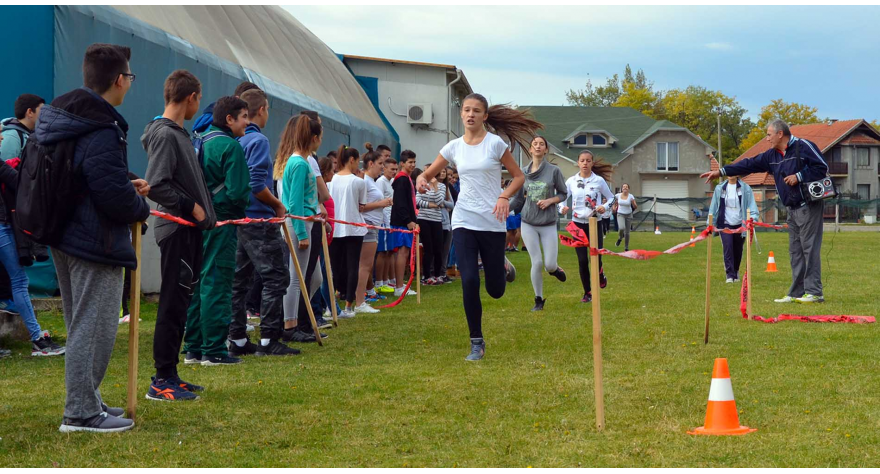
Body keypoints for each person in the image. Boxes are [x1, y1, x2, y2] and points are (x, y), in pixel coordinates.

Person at [37, 43, 151, 432]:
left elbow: (88, 176)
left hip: (65, 234)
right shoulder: (101, 126)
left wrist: (123, 182)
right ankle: (81, 412)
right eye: (130, 77)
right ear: (119, 80)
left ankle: (89, 398)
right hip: (93, 240)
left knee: (80, 321)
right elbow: (109, 196)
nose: (130, 84)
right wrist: (139, 206)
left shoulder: (65, 116)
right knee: (94, 325)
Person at [416, 92, 536, 361]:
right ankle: (476, 341)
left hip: (492, 222)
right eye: (467, 110)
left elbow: (518, 178)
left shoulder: (495, 145)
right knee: (468, 280)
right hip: (464, 220)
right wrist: (421, 178)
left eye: (476, 111)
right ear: (462, 114)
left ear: (485, 116)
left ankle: (503, 265)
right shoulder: (453, 147)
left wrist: (504, 196)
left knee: (495, 290)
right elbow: (428, 172)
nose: (470, 114)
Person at [142, 69, 217, 401]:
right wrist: (193, 208)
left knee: (181, 303)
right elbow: (157, 184)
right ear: (191, 98)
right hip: (176, 230)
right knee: (172, 304)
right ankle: (161, 381)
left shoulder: (179, 134)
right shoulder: (165, 135)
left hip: (189, 232)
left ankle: (171, 373)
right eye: (198, 100)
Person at [701, 119, 828, 303]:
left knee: (809, 249)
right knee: (795, 252)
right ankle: (796, 293)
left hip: (808, 206)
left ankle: (815, 292)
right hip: (791, 209)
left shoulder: (804, 146)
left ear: (780, 134)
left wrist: (799, 177)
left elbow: (822, 168)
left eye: (769, 135)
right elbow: (748, 164)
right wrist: (720, 171)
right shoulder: (771, 156)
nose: (767, 139)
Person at [225, 89, 299, 357]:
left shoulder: (237, 140)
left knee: (240, 280)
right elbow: (256, 183)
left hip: (240, 219)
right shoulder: (258, 140)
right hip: (258, 219)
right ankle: (268, 339)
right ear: (263, 109)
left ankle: (238, 338)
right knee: (275, 277)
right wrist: (277, 204)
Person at [183, 96, 251, 366]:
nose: (248, 122)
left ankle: (193, 348)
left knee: (197, 282)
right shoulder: (230, 146)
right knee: (218, 283)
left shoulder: (198, 141)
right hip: (222, 223)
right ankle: (214, 350)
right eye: (244, 116)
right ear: (229, 119)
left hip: (198, 221)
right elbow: (238, 192)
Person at [0, 123, 64, 357]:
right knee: (19, 281)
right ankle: (38, 340)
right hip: (2, 229)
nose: (1, 139)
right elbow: (21, 182)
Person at [275, 114, 330, 343]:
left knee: (314, 277)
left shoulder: (302, 162)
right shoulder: (298, 163)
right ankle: (290, 325)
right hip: (299, 223)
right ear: (314, 138)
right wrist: (300, 233)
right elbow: (295, 203)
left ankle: (295, 320)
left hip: (307, 221)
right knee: (295, 278)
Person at [510, 136, 568, 312]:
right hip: (528, 222)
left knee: (549, 264)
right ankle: (538, 299)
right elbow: (519, 199)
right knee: (536, 262)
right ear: (530, 149)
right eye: (534, 144)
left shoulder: (554, 171)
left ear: (546, 150)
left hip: (548, 222)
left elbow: (563, 193)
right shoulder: (523, 172)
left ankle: (554, 269)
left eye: (541, 144)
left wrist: (551, 200)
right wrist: (504, 208)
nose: (537, 146)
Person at [560, 150, 614, 304]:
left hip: (594, 223)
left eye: (588, 160)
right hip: (577, 225)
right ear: (578, 162)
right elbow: (561, 198)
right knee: (582, 260)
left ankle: (600, 273)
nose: (585, 163)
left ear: (592, 163)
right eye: (582, 160)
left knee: (596, 257)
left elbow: (611, 198)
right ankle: (587, 292)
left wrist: (604, 206)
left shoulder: (599, 181)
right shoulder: (571, 181)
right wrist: (562, 208)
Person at [329, 146, 368, 317]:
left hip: (337, 227)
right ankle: (348, 305)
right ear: (351, 160)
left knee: (335, 266)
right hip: (352, 227)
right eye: (357, 161)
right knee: (352, 266)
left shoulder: (332, 181)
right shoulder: (359, 182)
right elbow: (362, 206)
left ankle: (333, 303)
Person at [355, 144, 393, 313]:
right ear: (370, 164)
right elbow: (360, 206)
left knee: (365, 266)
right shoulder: (364, 181)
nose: (382, 168)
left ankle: (360, 298)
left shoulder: (370, 181)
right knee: (365, 266)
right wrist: (381, 203)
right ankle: (359, 301)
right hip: (367, 226)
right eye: (380, 164)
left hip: (373, 226)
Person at [707, 176, 759, 283]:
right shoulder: (720, 188)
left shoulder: (745, 188)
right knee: (728, 248)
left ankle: (735, 271)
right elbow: (714, 206)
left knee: (738, 249)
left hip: (740, 224)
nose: (731, 174)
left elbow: (751, 204)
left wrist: (753, 218)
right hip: (725, 224)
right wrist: (710, 222)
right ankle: (729, 275)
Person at [390, 150, 419, 297]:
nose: (413, 165)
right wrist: (408, 220)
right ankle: (399, 287)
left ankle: (401, 285)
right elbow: (400, 203)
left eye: (414, 162)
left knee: (405, 253)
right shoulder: (401, 179)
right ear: (402, 163)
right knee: (402, 253)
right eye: (410, 162)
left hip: (406, 220)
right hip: (402, 222)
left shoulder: (406, 178)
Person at [416, 167, 447, 285]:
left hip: (436, 220)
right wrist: (431, 205)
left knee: (438, 248)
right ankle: (426, 276)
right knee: (428, 248)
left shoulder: (442, 186)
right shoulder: (421, 185)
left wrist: (435, 187)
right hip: (423, 219)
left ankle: (438, 275)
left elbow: (440, 201)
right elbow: (418, 201)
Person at [374, 145, 395, 294]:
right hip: (383, 220)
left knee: (388, 252)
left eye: (395, 169)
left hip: (389, 220)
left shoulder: (390, 182)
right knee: (382, 251)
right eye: (391, 169)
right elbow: (380, 201)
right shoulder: (381, 181)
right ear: (384, 169)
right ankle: (379, 282)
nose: (394, 172)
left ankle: (386, 280)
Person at [437, 167, 455, 283]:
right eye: (442, 171)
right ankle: (436, 273)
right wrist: (442, 204)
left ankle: (443, 273)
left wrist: (442, 203)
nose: (444, 174)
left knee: (446, 249)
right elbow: (436, 201)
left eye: (445, 172)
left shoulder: (446, 188)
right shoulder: (433, 186)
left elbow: (452, 204)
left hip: (447, 221)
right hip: (436, 220)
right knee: (437, 249)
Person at [613, 183, 637, 251]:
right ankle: (620, 238)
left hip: (629, 214)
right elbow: (613, 202)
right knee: (621, 227)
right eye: (624, 187)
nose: (625, 188)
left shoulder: (631, 196)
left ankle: (626, 247)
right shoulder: (617, 195)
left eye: (626, 187)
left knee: (627, 232)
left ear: (628, 189)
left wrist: (633, 203)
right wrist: (614, 207)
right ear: (622, 189)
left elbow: (635, 206)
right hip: (620, 214)